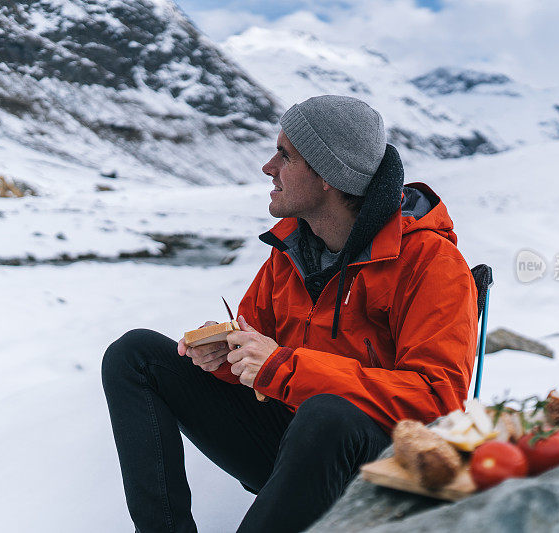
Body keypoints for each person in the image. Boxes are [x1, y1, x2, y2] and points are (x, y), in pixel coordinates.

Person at [101, 95, 478, 533]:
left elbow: (438, 401)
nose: (268, 167)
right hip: (298, 452)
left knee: (328, 415)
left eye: (285, 155)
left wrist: (283, 367)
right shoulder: (291, 251)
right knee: (135, 355)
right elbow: (259, 357)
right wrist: (226, 356)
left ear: (328, 177)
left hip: (386, 471)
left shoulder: (430, 261)